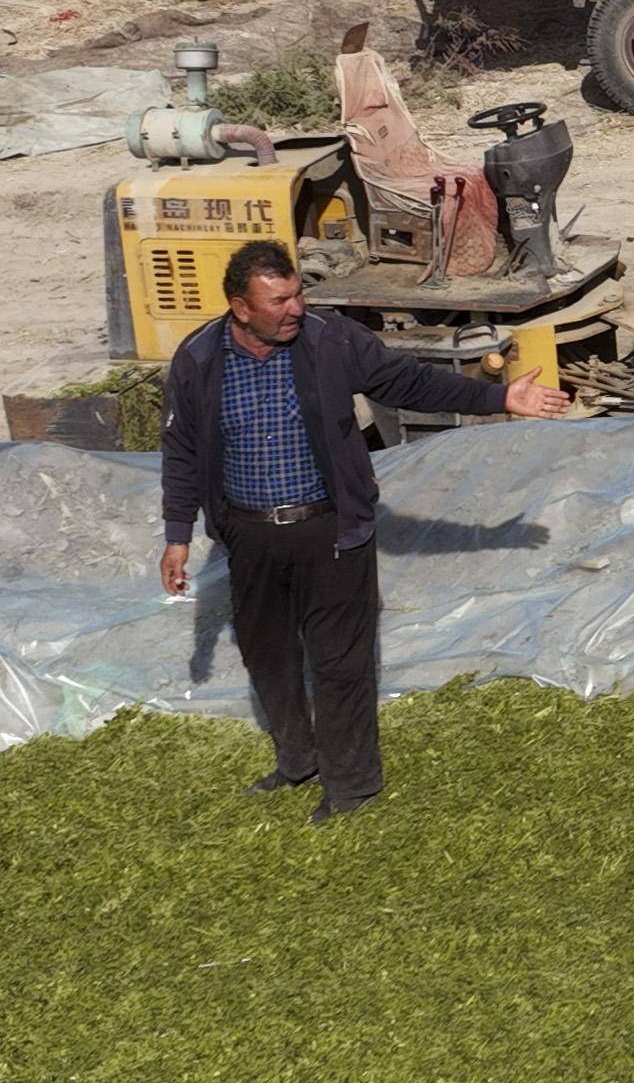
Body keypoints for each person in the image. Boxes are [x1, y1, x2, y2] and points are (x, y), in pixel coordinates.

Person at [158, 236, 567, 823]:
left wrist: (498, 395)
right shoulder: (198, 358)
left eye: (297, 294)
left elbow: (409, 384)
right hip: (248, 536)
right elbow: (182, 448)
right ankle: (297, 762)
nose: (295, 309)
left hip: (330, 530)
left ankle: (351, 787)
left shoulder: (331, 341)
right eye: (277, 301)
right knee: (266, 655)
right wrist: (178, 534)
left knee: (338, 661)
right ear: (239, 307)